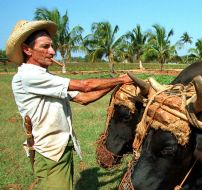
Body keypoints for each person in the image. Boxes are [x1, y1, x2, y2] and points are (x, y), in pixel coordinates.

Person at [6, 20, 133, 190]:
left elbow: (83, 98)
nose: (52, 52)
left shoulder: (45, 77)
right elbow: (84, 85)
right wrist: (121, 79)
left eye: (51, 46)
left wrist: (114, 85)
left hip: (61, 146)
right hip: (48, 150)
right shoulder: (28, 77)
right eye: (45, 47)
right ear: (27, 49)